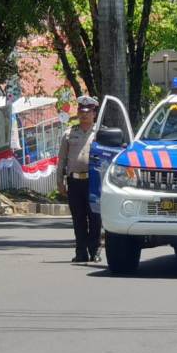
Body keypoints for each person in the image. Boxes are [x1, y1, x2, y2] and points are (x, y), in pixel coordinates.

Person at [57, 95, 102, 263]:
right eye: (81, 112)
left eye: (87, 112)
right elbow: (61, 159)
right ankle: (81, 251)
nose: (84, 115)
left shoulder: (100, 133)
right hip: (74, 181)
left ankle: (95, 250)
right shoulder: (69, 134)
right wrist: (59, 181)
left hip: (94, 181)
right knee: (78, 217)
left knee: (95, 217)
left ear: (94, 114)